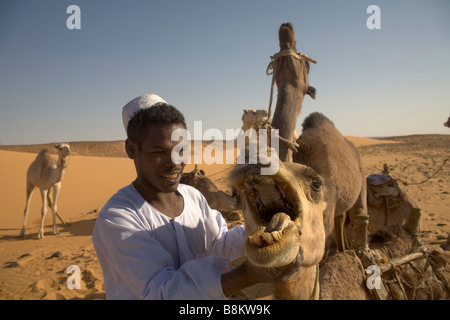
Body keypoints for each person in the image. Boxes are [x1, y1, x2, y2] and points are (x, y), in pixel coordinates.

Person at [92, 93, 301, 299]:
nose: (175, 162)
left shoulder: (193, 197)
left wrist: (264, 230)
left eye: (181, 150)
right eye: (159, 152)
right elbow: (160, 293)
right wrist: (249, 275)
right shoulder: (117, 218)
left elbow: (220, 244)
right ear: (131, 149)